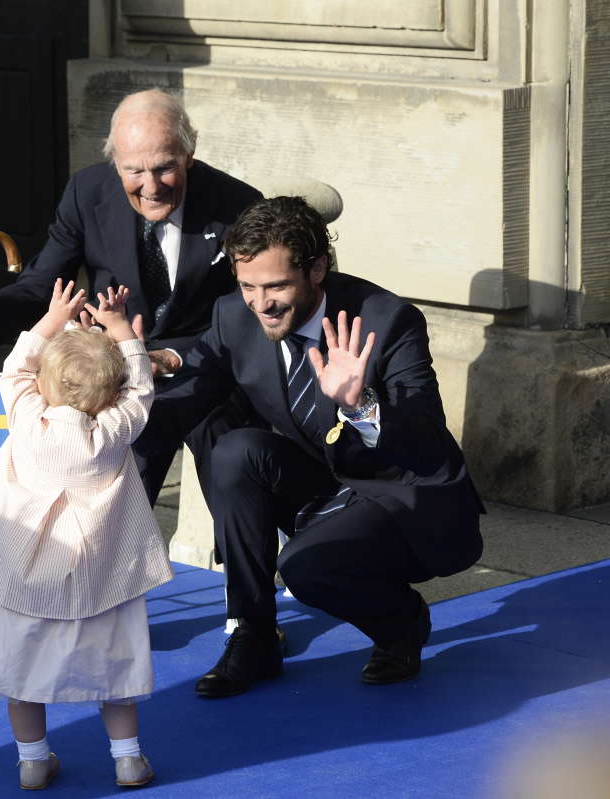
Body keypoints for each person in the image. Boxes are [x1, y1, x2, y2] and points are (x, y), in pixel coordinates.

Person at [137, 196, 484, 698]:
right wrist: (102, 400)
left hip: (405, 497)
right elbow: (178, 410)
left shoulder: (387, 321)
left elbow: (427, 441)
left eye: (276, 286)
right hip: (330, 485)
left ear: (317, 268)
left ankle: (401, 623)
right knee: (235, 450)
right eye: (248, 286)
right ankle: (253, 634)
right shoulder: (234, 318)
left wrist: (362, 405)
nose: (261, 303)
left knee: (304, 566)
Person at [0, 280, 174, 790]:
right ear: (109, 395)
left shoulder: (26, 419)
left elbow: (15, 367)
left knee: (21, 675)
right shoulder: (114, 430)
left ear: (44, 383)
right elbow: (142, 389)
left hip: (26, 571)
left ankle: (32, 759)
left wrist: (51, 318)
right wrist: (119, 329)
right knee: (114, 670)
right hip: (98, 576)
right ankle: (128, 757)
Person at [0, 88, 261, 503]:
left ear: (189, 153)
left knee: (235, 478)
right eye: (134, 171)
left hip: (204, 367)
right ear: (114, 163)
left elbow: (250, 309)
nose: (151, 186)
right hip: (115, 377)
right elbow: (43, 286)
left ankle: (245, 567)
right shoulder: (86, 193)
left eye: (165, 168)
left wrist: (172, 357)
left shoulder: (238, 204)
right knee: (115, 487)